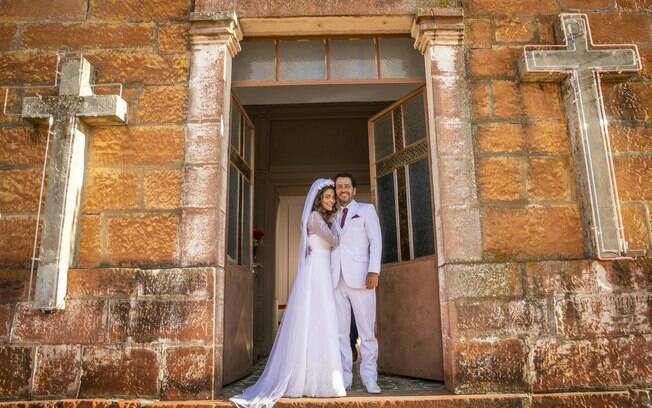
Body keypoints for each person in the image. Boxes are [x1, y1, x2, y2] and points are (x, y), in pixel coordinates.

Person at [230, 178, 346, 408]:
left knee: (323, 323)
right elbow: (333, 241)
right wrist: (336, 222)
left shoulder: (324, 218)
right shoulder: (314, 218)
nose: (332, 200)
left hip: (323, 272)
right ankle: (303, 380)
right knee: (313, 321)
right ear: (319, 200)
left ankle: (325, 380)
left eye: (333, 197)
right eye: (328, 197)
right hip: (315, 274)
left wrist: (333, 220)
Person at [331, 172, 382, 394]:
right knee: (340, 332)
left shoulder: (366, 211)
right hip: (335, 279)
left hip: (362, 277)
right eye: (339, 186)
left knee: (367, 331)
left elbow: (375, 241)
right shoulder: (329, 214)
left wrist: (374, 271)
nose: (343, 190)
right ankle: (345, 377)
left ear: (354, 190)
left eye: (346, 186)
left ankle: (370, 377)